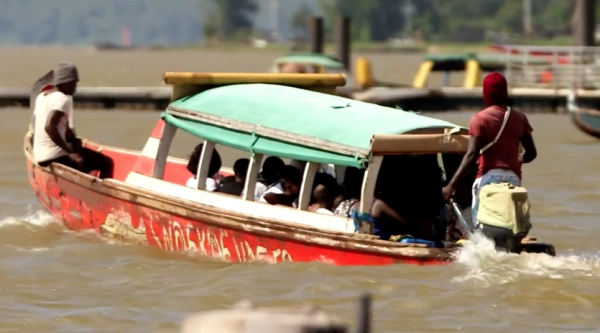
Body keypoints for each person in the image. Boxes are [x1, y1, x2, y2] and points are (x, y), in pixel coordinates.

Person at [442, 72, 538, 230]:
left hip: (488, 178)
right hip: (513, 180)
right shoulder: (520, 118)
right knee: (507, 222)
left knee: (481, 224)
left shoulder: (479, 119)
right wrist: (515, 160)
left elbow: (472, 154)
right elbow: (532, 154)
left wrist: (450, 186)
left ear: (485, 94)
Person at [32, 62, 113, 178]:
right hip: (55, 156)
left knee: (81, 151)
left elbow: (45, 126)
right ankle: (101, 191)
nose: (75, 87)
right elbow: (50, 126)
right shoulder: (63, 99)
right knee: (106, 162)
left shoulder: (42, 97)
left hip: (40, 156)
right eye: (73, 83)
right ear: (65, 82)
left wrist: (73, 140)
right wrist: (70, 152)